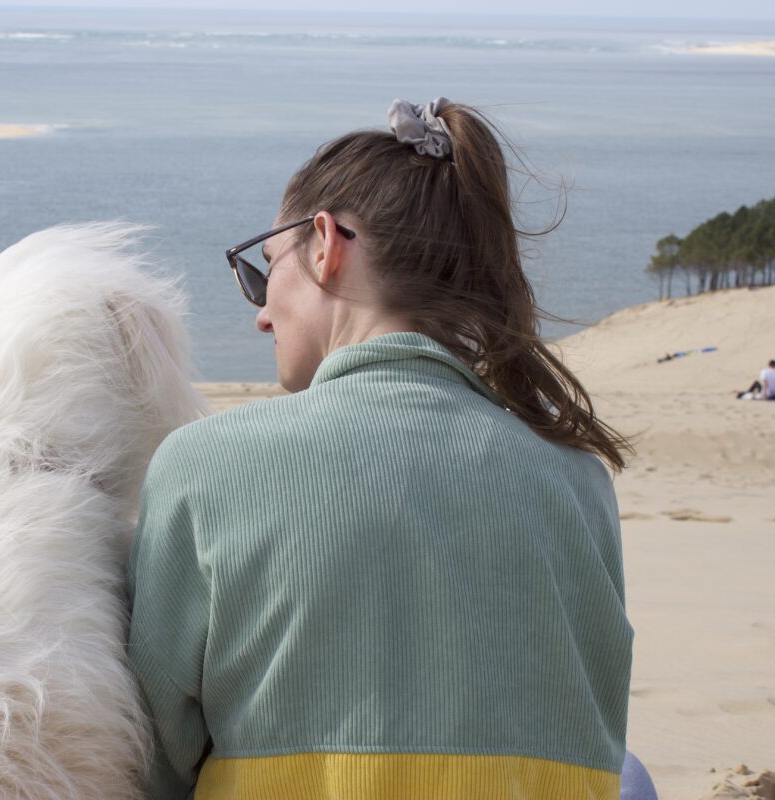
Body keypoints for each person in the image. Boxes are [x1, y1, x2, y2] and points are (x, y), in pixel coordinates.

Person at [127, 97, 643, 799]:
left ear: (324, 245)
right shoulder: (578, 477)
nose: (259, 314)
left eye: (263, 271)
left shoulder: (205, 465)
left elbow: (154, 757)